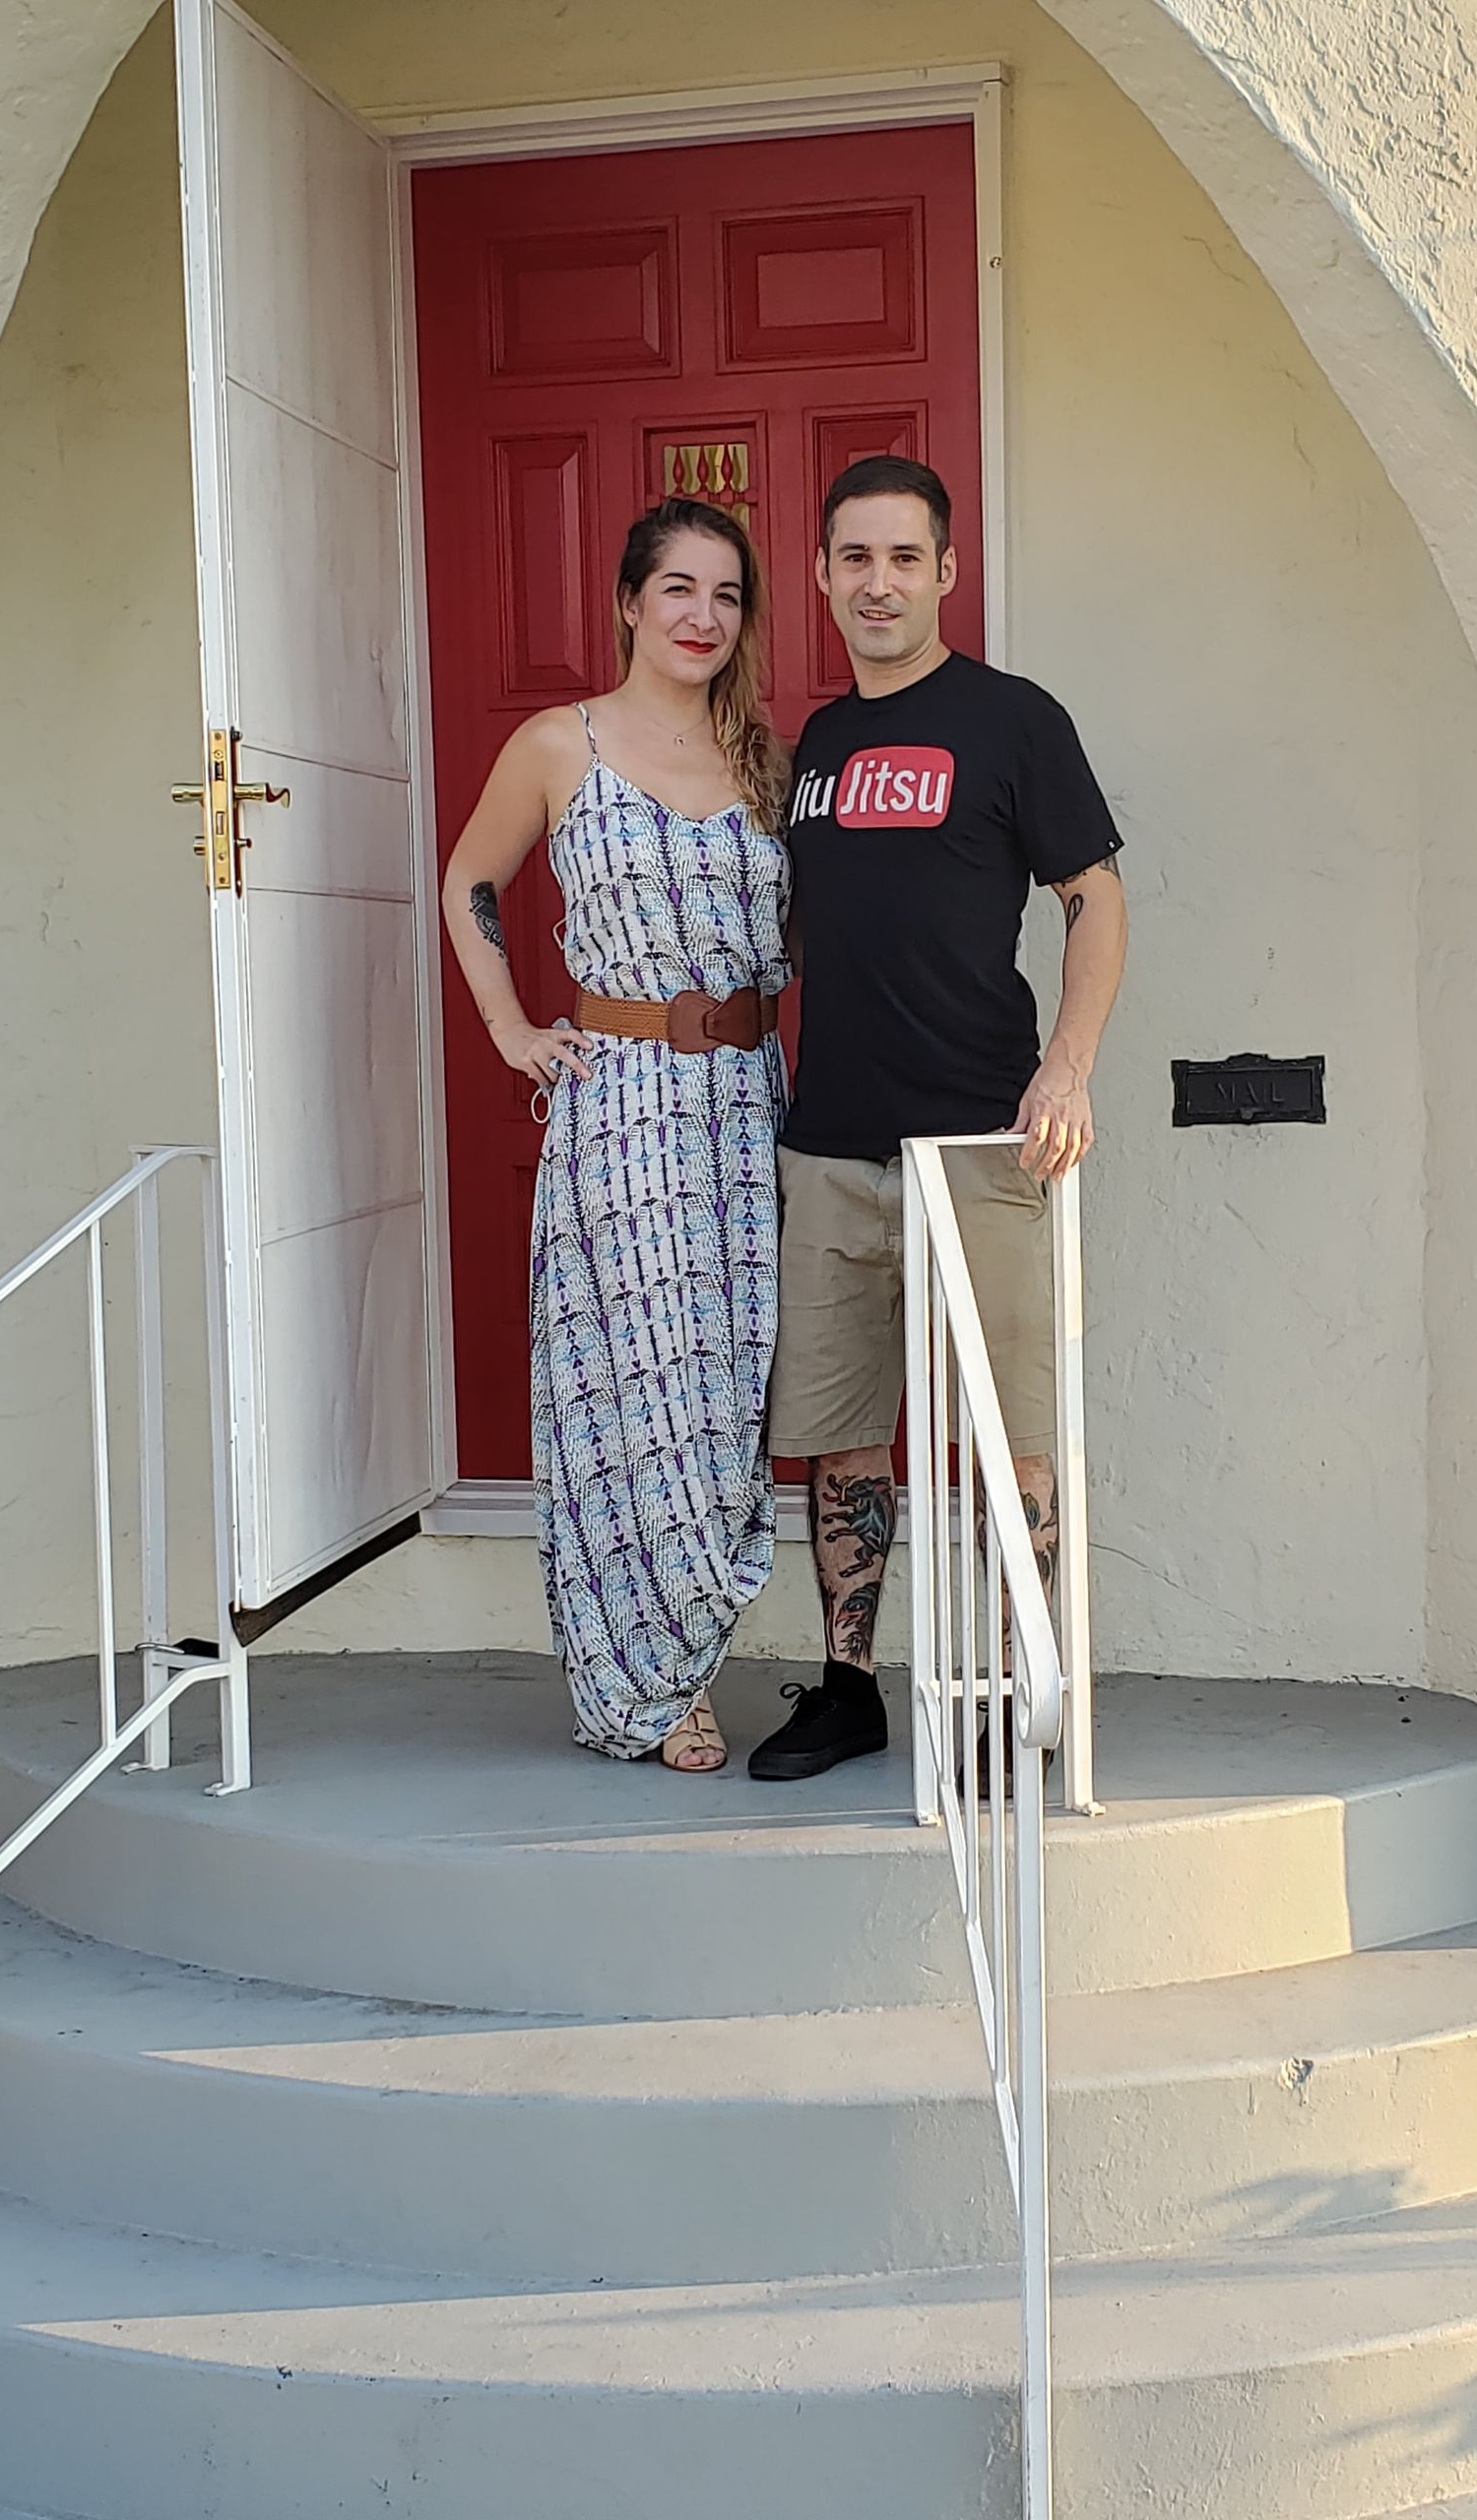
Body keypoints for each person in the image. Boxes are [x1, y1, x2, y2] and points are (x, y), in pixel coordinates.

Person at [748, 456, 1127, 1783]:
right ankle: (850, 1685)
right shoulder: (820, 746)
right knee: (846, 1430)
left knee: (1007, 1426)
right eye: (855, 559)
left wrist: (1067, 1070)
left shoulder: (1014, 722)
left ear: (947, 573)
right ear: (821, 577)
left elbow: (1096, 902)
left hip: (978, 1139)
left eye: (905, 558)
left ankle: (1034, 1685)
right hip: (832, 1141)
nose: (879, 583)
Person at [443, 499, 791, 1774]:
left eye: (727, 595)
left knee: (724, 1390)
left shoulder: (764, 762)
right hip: (625, 1105)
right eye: (680, 590)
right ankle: (650, 1683)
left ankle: (685, 1640)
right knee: (633, 1383)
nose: (703, 616)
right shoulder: (560, 744)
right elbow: (469, 880)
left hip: (747, 1110)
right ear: (630, 604)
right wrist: (511, 1029)